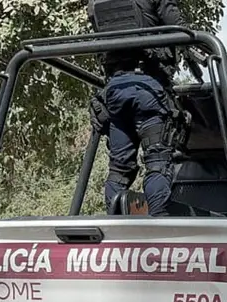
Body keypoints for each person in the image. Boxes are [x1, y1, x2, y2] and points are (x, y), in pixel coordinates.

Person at [87, 0, 193, 216]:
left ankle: (114, 224)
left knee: (118, 169)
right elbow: (176, 24)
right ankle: (159, 222)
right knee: (157, 162)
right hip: (148, 87)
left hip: (115, 89)